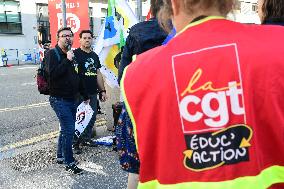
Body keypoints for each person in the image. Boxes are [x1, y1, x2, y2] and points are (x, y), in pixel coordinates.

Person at [121, 0, 284, 188]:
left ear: (172, 4)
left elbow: (135, 164)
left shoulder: (138, 74)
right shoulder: (277, 45)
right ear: (231, 3)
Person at [116, 0, 167, 188]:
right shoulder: (178, 31)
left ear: (151, 10)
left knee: (136, 168)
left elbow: (123, 73)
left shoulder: (137, 31)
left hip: (140, 103)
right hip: (170, 101)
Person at [46, 27, 89, 174]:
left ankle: (60, 156)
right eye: (64, 36)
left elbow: (78, 76)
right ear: (58, 38)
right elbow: (52, 75)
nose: (67, 38)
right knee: (69, 130)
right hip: (59, 99)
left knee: (65, 130)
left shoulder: (73, 55)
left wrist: (85, 95)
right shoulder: (52, 54)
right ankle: (69, 162)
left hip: (73, 99)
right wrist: (67, 60)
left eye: (70, 36)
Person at [73, 30, 107, 154]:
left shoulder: (94, 56)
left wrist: (102, 90)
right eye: (85, 38)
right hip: (79, 93)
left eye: (89, 38)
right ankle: (75, 142)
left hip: (93, 92)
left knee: (91, 117)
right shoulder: (75, 54)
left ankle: (86, 139)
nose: (87, 40)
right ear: (80, 40)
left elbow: (98, 73)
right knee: (78, 118)